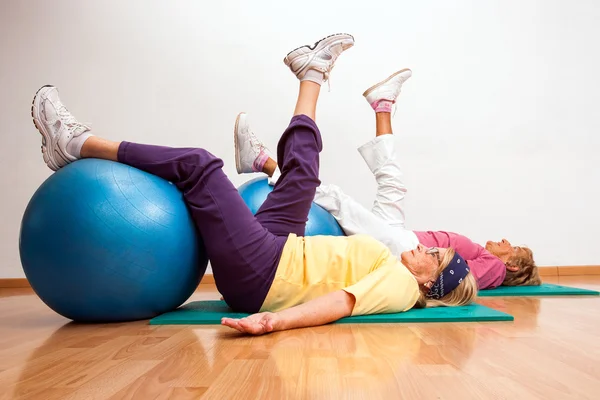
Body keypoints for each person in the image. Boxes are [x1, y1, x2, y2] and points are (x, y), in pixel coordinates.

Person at [30, 33, 477, 336]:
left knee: (199, 166)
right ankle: (312, 73)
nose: (425, 247)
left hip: (261, 274)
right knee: (303, 173)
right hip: (282, 248)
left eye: (433, 257)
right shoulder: (399, 269)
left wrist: (272, 324)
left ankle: (76, 144)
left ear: (429, 285)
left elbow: (340, 303)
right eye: (434, 250)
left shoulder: (401, 288)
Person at [234, 68, 541, 289]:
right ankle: (383, 106)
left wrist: (412, 278)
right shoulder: (488, 256)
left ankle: (264, 162)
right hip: (407, 241)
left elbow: (452, 280)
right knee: (393, 182)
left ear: (512, 264)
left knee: (339, 202)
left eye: (512, 247)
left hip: (405, 253)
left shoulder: (495, 269)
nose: (504, 241)